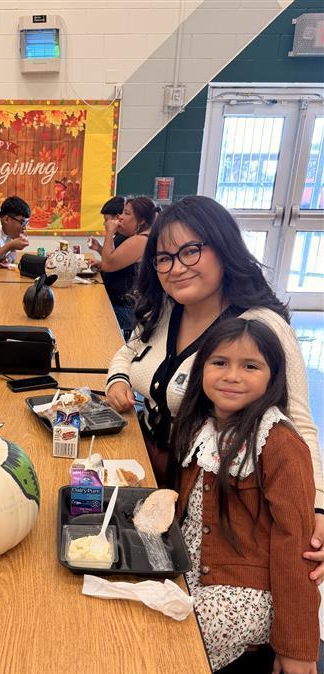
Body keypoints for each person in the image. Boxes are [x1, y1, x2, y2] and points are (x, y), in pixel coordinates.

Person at [105, 195, 324, 582]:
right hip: (147, 472)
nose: (176, 268)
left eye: (190, 251)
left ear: (223, 249)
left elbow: (300, 428)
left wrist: (319, 508)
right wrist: (118, 380)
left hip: (210, 504)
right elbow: (126, 353)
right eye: (164, 258)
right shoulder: (164, 309)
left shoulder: (260, 327)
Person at [171, 317, 319, 674]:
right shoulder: (201, 425)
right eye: (219, 362)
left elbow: (295, 547)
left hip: (246, 592)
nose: (232, 375)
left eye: (250, 366)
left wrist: (297, 645)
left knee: (170, 646)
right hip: (194, 572)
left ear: (273, 376)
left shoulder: (281, 444)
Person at [92, 196, 159, 338]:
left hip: (128, 310)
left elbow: (108, 264)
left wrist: (110, 231)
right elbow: (114, 263)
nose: (120, 218)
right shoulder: (142, 237)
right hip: (128, 305)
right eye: (122, 213)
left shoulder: (140, 240)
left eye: (126, 214)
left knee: (90, 317)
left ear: (141, 221)